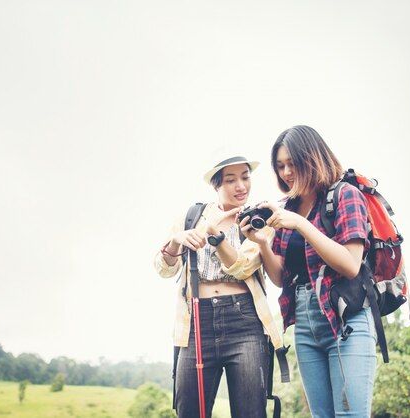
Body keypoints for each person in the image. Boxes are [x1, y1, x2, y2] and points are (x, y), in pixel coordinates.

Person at [242, 125, 376, 417]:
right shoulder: (286, 207)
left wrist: (301, 224)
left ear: (312, 157)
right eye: (280, 166)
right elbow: (280, 279)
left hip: (347, 320)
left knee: (350, 415)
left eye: (292, 163)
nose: (287, 172)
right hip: (304, 323)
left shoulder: (345, 195)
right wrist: (264, 244)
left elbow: (351, 265)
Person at [154, 156, 283, 418]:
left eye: (245, 177)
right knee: (189, 411)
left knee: (251, 412)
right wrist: (176, 242)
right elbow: (164, 269)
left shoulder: (260, 221)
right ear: (216, 185)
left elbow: (243, 267)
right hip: (195, 322)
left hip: (245, 321)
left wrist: (217, 239)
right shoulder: (191, 217)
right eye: (230, 180)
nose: (240, 186)